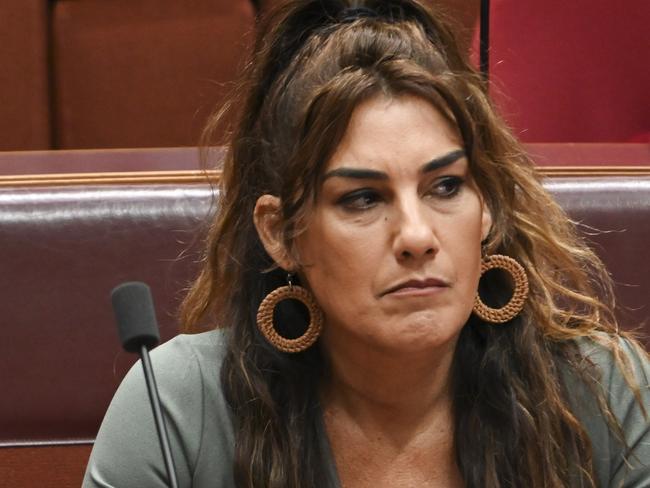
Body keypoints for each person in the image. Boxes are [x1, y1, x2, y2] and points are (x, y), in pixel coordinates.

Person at [83, 1, 650, 487]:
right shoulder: (181, 411)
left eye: (445, 186)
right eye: (362, 199)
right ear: (281, 234)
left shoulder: (599, 395)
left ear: (488, 209)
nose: (418, 236)